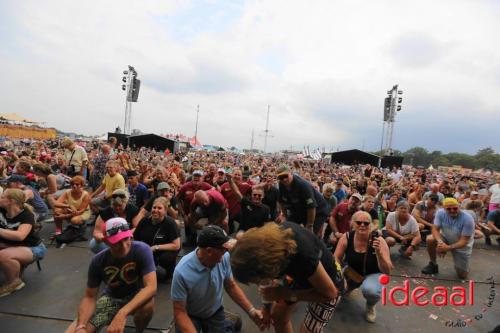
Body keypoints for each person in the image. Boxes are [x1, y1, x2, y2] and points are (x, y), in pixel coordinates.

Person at [230, 222, 345, 333]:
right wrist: (266, 308)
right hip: (297, 274)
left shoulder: (303, 257)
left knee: (309, 330)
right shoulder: (266, 246)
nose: (257, 284)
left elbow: (330, 294)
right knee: (278, 316)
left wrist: (287, 294)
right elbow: (267, 283)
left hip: (329, 285)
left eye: (255, 280)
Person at [64, 217, 157, 333]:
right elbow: (90, 297)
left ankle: (139, 331)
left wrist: (122, 313)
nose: (124, 246)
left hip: (137, 295)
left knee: (148, 304)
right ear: (106, 241)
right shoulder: (98, 261)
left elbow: (151, 287)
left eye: (126, 239)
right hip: (113, 298)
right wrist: (81, 326)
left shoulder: (142, 249)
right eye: (118, 242)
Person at [171, 225, 264, 332]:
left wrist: (251, 311)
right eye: (223, 250)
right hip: (190, 314)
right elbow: (179, 311)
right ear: (209, 251)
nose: (225, 253)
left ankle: (231, 321)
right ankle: (229, 319)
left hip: (214, 311)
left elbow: (231, 285)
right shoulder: (182, 272)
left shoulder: (224, 256)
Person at [334, 211, 393, 323]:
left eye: (366, 223)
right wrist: (339, 275)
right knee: (334, 287)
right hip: (352, 273)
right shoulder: (346, 237)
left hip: (373, 273)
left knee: (370, 290)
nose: (362, 225)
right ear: (353, 224)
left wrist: (379, 253)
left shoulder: (379, 241)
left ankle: (370, 305)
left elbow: (387, 270)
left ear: (370, 225)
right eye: (359, 222)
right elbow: (336, 258)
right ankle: (347, 288)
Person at [0, 189, 47, 297]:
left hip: (33, 248)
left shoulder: (27, 215)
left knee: (3, 255)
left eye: (2, 197)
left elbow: (20, 236)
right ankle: (16, 268)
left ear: (11, 201)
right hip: (10, 245)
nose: (0, 199)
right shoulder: (2, 210)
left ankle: (14, 282)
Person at [421, 198, 475, 279]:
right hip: (445, 238)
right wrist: (440, 243)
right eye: (448, 209)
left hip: (461, 245)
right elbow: (435, 229)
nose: (452, 210)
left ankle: (462, 265)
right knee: (430, 239)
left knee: (462, 275)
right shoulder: (440, 213)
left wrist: (447, 248)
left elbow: (464, 241)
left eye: (455, 208)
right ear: (444, 208)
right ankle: (433, 264)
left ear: (459, 206)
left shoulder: (468, 219)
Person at [134, 197, 180, 282]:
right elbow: (136, 238)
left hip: (165, 250)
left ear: (165, 211)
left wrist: (156, 247)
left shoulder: (170, 223)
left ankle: (169, 272)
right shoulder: (144, 221)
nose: (155, 210)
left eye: (159, 208)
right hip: (148, 249)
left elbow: (176, 245)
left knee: (164, 262)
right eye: (154, 207)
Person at [276, 164, 330, 238]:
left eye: (285, 176)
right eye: (281, 177)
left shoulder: (302, 185)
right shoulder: (281, 184)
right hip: (300, 208)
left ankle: (315, 246)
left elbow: (311, 207)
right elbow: (281, 201)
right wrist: (284, 215)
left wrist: (310, 225)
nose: (284, 179)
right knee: (287, 227)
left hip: (318, 211)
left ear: (291, 173)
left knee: (310, 236)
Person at [90, 189, 139, 254]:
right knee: (94, 243)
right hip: (111, 239)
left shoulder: (132, 209)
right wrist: (105, 239)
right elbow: (97, 232)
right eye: (115, 205)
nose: (117, 208)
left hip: (128, 238)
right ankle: (111, 256)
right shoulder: (107, 211)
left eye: (120, 205)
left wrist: (123, 236)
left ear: (125, 203)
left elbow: (137, 227)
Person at [226, 173, 271, 238]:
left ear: (263, 196)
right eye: (255, 195)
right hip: (244, 231)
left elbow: (266, 224)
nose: (257, 196)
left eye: (259, 195)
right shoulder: (246, 203)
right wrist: (230, 180)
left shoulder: (266, 209)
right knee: (239, 236)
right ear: (252, 195)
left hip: (258, 233)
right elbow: (236, 191)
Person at [220, 168, 252, 234]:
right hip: (228, 212)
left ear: (242, 177)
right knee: (229, 230)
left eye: (239, 175)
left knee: (247, 224)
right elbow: (219, 195)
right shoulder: (225, 185)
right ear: (232, 175)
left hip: (239, 212)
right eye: (235, 174)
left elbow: (256, 190)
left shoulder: (246, 186)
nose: (237, 176)